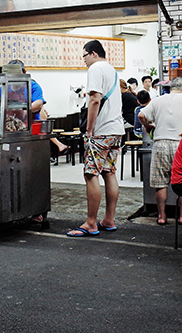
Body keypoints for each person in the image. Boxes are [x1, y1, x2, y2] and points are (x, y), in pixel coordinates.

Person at [67, 40, 125, 237]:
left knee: (91, 174)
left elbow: (94, 99)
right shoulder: (111, 69)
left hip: (100, 130)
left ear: (92, 53)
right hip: (116, 130)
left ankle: (91, 223)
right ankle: (109, 219)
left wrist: (89, 129)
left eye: (83, 56)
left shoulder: (95, 68)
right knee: (109, 172)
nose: (83, 60)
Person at [138, 77, 182, 225]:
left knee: (160, 183)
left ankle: (162, 216)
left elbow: (141, 115)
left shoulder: (158, 100)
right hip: (181, 145)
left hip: (160, 144)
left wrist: (147, 126)